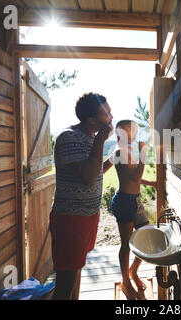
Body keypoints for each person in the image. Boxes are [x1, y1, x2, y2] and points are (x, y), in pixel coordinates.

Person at [49, 92, 114, 300]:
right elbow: (87, 177)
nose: (111, 117)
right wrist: (102, 139)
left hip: (86, 217)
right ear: (92, 120)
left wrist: (113, 160)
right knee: (65, 282)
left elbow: (93, 172)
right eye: (107, 113)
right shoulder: (69, 137)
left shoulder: (89, 138)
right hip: (71, 220)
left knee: (76, 270)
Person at [110, 120, 157, 300]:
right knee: (126, 245)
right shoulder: (119, 152)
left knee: (145, 238)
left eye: (137, 130)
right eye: (133, 130)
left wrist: (152, 183)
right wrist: (144, 153)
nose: (136, 133)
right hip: (124, 202)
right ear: (121, 131)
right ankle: (126, 282)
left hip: (135, 201)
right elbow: (136, 177)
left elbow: (133, 178)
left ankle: (132, 271)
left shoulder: (128, 151)